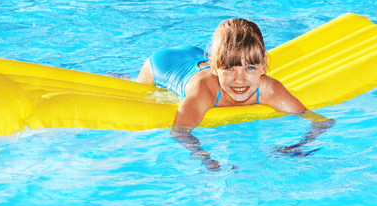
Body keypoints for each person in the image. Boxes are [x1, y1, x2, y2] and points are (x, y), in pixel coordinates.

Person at [136, 18, 335, 171]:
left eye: (250, 68)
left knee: (231, 55)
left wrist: (295, 147)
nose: (239, 80)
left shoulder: (269, 89)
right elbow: (180, 131)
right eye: (230, 69)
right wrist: (208, 160)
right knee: (136, 88)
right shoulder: (204, 91)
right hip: (163, 63)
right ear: (216, 67)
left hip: (201, 54)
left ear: (263, 66)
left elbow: (321, 121)